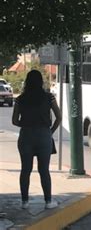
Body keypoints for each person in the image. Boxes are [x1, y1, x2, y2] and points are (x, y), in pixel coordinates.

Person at [12, 70, 62, 210]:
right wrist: (49, 132)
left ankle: (25, 202)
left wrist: (27, 124)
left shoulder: (20, 99)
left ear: (27, 82)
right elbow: (59, 117)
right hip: (44, 135)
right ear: (41, 81)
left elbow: (14, 121)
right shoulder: (49, 97)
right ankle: (48, 201)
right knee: (44, 170)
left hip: (26, 136)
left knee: (25, 170)